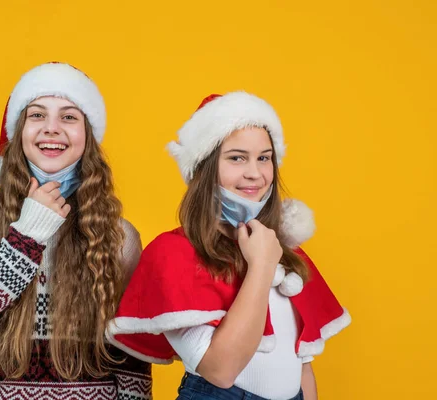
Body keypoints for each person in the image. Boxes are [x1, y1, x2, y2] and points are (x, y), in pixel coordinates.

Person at [106, 92, 350, 400]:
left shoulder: (282, 250)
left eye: (264, 157)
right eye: (237, 158)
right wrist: (260, 267)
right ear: (204, 168)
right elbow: (220, 370)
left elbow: (301, 365)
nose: (255, 173)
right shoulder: (174, 253)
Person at [0, 62, 152, 399]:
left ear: (88, 137)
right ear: (19, 132)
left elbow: (131, 354)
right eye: (37, 115)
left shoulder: (118, 235)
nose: (52, 128)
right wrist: (29, 232)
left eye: (69, 117)